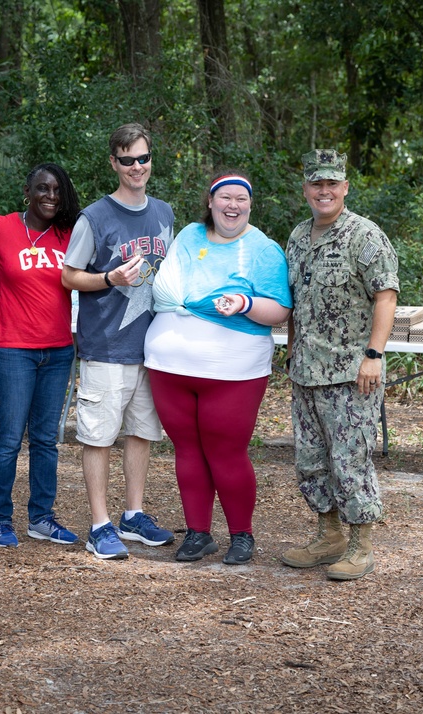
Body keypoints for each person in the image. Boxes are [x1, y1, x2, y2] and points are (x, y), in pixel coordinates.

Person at [144, 170, 292, 564]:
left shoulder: (263, 249)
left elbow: (279, 311)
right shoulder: (189, 235)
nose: (233, 205)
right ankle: (197, 533)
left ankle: (241, 535)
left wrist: (244, 304)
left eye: (240, 199)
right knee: (187, 450)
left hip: (232, 373)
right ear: (210, 202)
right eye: (225, 197)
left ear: (250, 205)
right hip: (168, 366)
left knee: (226, 452)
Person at [280, 149, 399, 581]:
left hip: (352, 374)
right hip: (306, 371)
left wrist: (373, 355)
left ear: (345, 188)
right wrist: (291, 350)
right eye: (317, 183)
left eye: (332, 184)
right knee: (311, 460)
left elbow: (386, 296)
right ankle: (328, 535)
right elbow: (295, 302)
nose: (324, 191)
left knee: (350, 460)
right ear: (306, 189)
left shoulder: (364, 237)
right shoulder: (296, 237)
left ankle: (361, 545)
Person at [61, 123, 176, 560]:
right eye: (127, 160)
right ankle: (99, 525)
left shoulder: (164, 213)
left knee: (142, 434)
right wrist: (108, 277)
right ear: (113, 163)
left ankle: (133, 515)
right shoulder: (94, 217)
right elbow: (68, 275)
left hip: (153, 348)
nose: (136, 167)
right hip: (106, 346)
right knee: (98, 437)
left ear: (151, 160)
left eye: (142, 158)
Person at [0, 163, 82, 548]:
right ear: (27, 190)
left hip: (57, 351)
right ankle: (0, 519)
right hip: (10, 350)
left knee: (47, 440)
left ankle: (41, 518)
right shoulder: (0, 228)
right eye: (42, 188)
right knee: (8, 438)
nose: (50, 196)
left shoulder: (70, 233)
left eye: (57, 190)